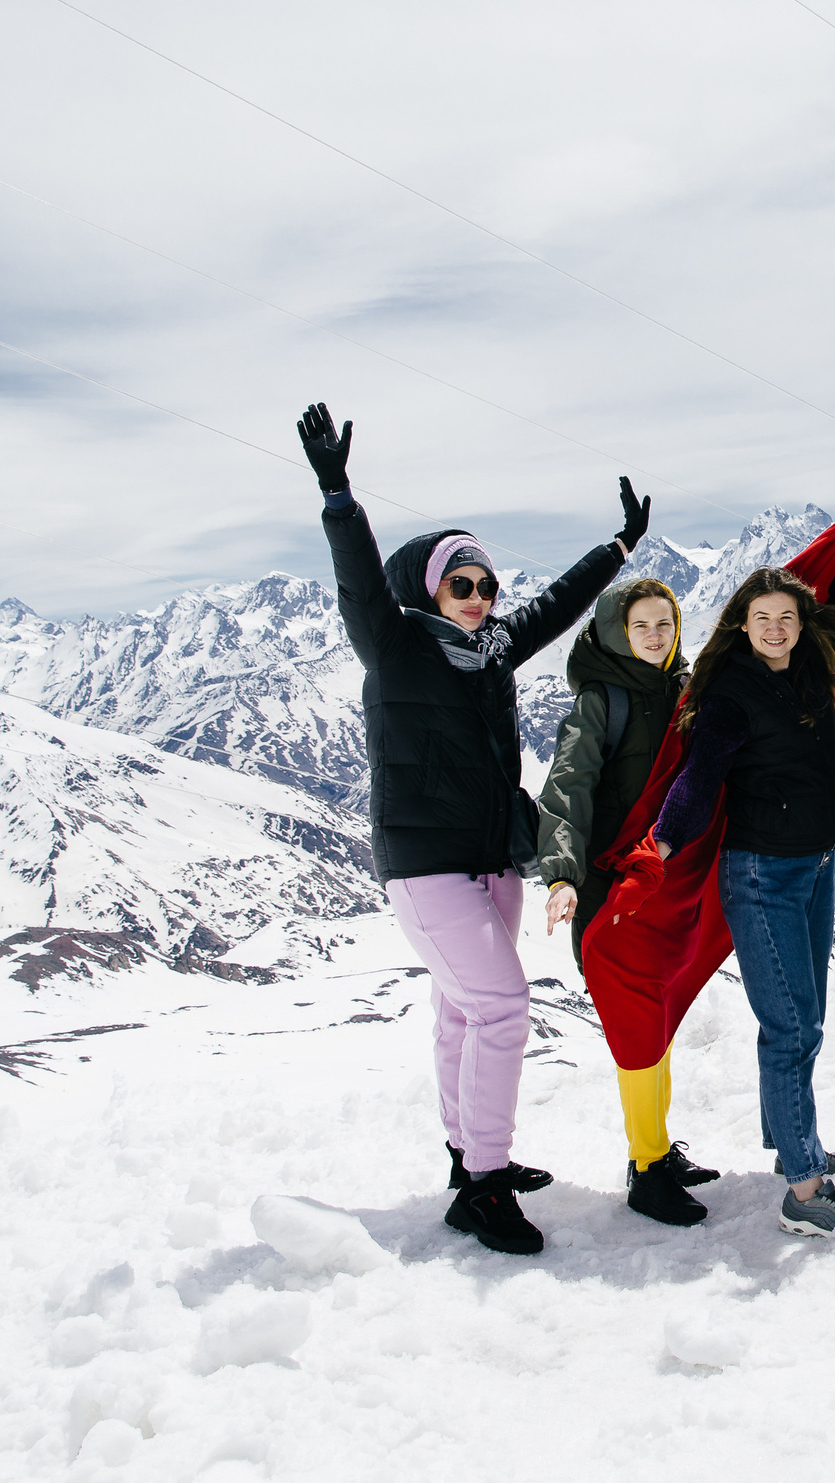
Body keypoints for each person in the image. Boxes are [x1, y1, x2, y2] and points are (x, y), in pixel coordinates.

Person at [297, 402, 646, 1256]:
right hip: (425, 867)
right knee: (503, 1006)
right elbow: (358, 583)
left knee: (463, 1010)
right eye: (463, 583)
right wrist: (339, 494)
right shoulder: (397, 646)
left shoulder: (492, 650)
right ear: (430, 588)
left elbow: (559, 604)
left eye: (489, 585)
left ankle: (468, 1155)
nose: (482, 599)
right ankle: (483, 1189)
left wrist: (619, 548)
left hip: (495, 862)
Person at [647, 566, 835, 1238]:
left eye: (787, 617)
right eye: (763, 619)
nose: (776, 629)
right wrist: (663, 842)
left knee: (804, 1018)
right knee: (791, 1026)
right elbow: (700, 778)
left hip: (815, 863)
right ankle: (804, 1190)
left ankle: (791, 1142)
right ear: (742, 626)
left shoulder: (808, 667)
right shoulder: (730, 692)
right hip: (762, 873)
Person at [536, 577, 719, 1227]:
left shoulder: (684, 692)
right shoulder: (600, 702)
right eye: (641, 625)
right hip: (611, 889)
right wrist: (560, 874)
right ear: (617, 631)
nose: (655, 636)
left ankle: (657, 1149)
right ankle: (646, 1170)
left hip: (665, 882)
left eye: (665, 625)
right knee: (638, 1021)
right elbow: (567, 788)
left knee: (657, 1014)